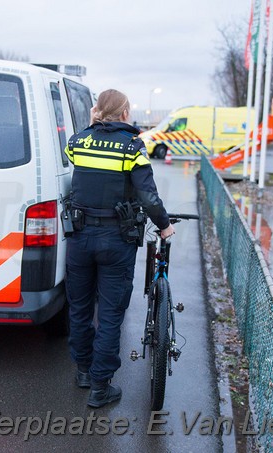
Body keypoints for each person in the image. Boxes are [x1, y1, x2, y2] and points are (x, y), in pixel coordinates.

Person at [64, 89, 175, 408]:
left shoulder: (78, 141)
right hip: (116, 239)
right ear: (125, 113)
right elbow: (148, 195)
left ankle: (83, 371)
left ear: (97, 110)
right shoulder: (132, 147)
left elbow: (73, 156)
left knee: (80, 307)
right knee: (110, 314)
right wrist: (165, 226)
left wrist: (90, 124)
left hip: (80, 238)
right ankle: (100, 386)